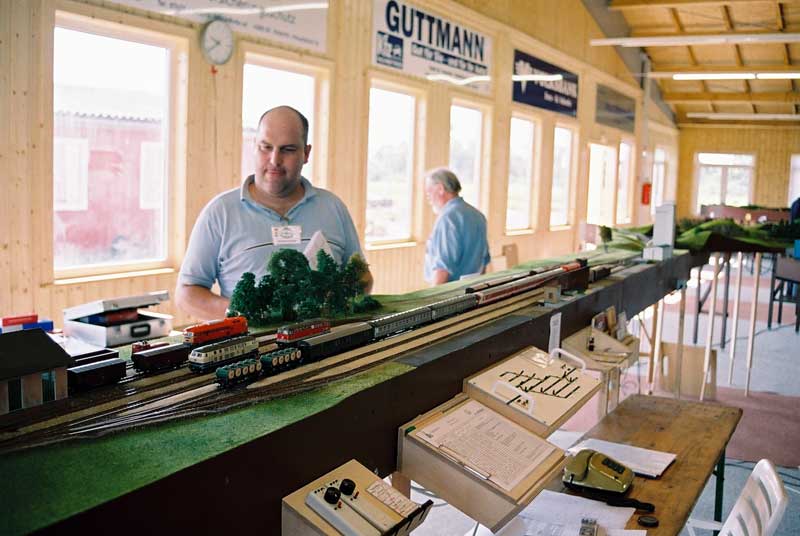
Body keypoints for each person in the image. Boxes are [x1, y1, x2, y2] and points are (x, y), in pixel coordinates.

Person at [176, 106, 372, 320]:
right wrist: (244, 312)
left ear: (306, 154)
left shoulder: (333, 208)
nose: (274, 160)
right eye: (266, 147)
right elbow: (187, 294)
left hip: (326, 344)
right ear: (254, 147)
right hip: (250, 348)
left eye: (287, 149)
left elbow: (362, 276)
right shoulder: (220, 212)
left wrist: (338, 301)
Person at [423, 167, 490, 285]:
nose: (427, 196)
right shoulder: (478, 215)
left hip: (449, 293)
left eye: (429, 191)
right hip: (472, 291)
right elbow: (484, 262)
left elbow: (442, 268)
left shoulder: (447, 218)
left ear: (440, 189)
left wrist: (432, 300)